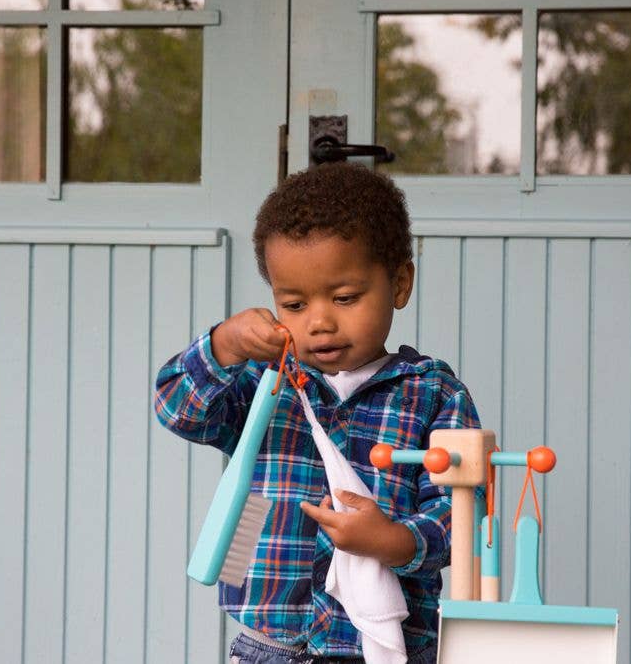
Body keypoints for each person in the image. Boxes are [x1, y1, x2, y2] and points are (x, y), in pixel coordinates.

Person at [154, 162, 480, 663]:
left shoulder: (433, 393)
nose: (320, 322)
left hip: (387, 647)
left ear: (399, 283)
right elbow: (179, 409)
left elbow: (462, 514)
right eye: (294, 304)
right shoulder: (264, 379)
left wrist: (394, 541)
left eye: (345, 298)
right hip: (267, 640)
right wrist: (223, 346)